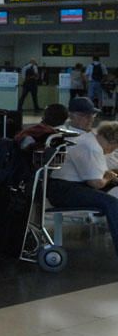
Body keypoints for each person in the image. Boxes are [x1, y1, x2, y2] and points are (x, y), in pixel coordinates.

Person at [45, 98, 118, 259]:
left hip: (59, 186)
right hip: (66, 189)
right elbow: (96, 183)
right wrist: (107, 176)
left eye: (91, 115)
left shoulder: (67, 133)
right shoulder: (85, 142)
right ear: (71, 115)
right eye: (84, 115)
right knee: (111, 203)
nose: (89, 119)